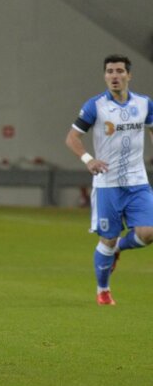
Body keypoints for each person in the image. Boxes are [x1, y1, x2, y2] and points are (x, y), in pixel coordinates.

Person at [64, 54, 153, 306]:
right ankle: (103, 290)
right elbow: (72, 138)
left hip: (137, 182)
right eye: (110, 71)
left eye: (119, 71)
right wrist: (88, 160)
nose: (114, 76)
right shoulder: (95, 106)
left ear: (129, 75)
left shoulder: (144, 104)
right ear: (105, 76)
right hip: (107, 184)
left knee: (148, 233)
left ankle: (118, 250)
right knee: (107, 238)